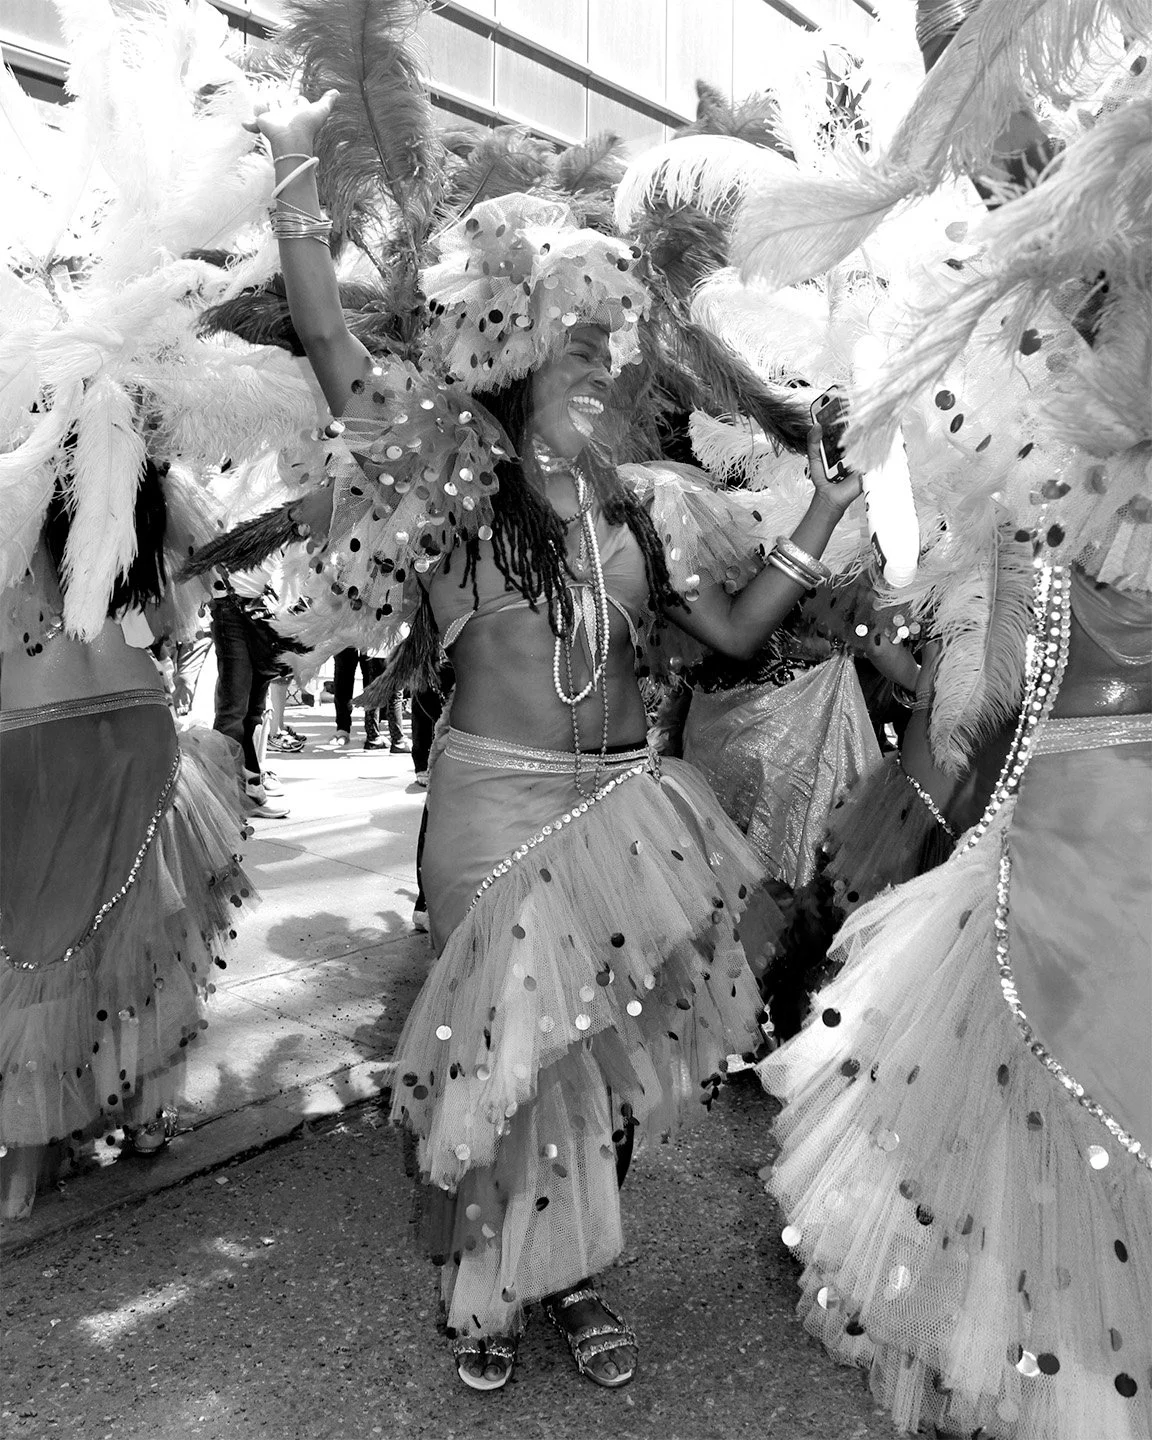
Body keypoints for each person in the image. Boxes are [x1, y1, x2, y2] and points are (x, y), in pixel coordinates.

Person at [246, 92, 862, 1392]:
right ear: (515, 354)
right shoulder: (461, 479)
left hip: (631, 815)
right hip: (493, 809)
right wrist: (299, 173)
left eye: (609, 355)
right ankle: (492, 1284)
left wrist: (827, 512)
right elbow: (331, 340)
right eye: (568, 352)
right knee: (506, 1063)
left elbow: (738, 633)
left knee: (603, 1063)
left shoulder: (643, 512)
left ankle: (573, 1272)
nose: (594, 372)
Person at [0, 479, 255, 1219]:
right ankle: (139, 1113)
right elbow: (166, 617)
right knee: (137, 919)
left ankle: (34, 1126)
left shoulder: (12, 471)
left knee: (36, 928)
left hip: (28, 721)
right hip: (134, 710)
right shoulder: (143, 487)